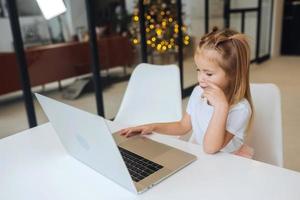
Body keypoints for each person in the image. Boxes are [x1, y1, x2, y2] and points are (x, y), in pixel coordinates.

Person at [120, 27, 254, 157]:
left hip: (229, 161)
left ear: (233, 74)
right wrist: (152, 127)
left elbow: (211, 148)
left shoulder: (240, 109)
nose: (200, 78)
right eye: (198, 70)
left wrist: (221, 107)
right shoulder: (198, 92)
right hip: (204, 156)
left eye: (208, 73)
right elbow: (183, 126)